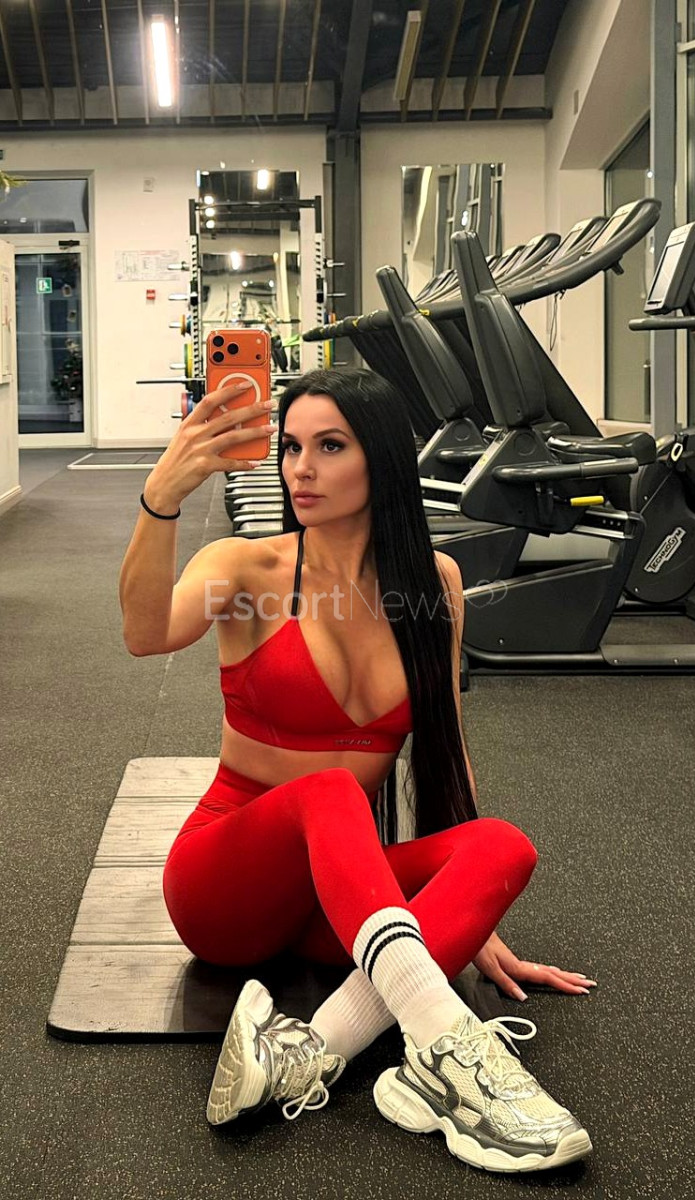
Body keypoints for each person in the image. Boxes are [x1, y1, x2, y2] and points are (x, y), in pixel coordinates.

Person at [119, 367, 597, 1173]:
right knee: (332, 790)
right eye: (291, 447)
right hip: (224, 887)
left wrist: (465, 911)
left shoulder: (433, 585)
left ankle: (313, 1051)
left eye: (329, 447)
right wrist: (159, 499)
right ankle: (451, 1053)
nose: (299, 468)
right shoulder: (244, 569)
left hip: (338, 898)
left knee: (501, 846)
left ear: (380, 458)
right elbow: (144, 633)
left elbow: (444, 745)